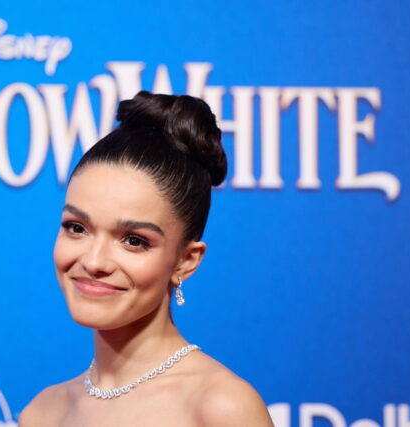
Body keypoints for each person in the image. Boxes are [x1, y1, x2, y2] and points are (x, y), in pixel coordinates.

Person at [19, 91, 274, 427]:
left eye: (134, 240)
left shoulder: (221, 408)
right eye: (77, 228)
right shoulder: (42, 414)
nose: (94, 262)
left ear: (186, 260)